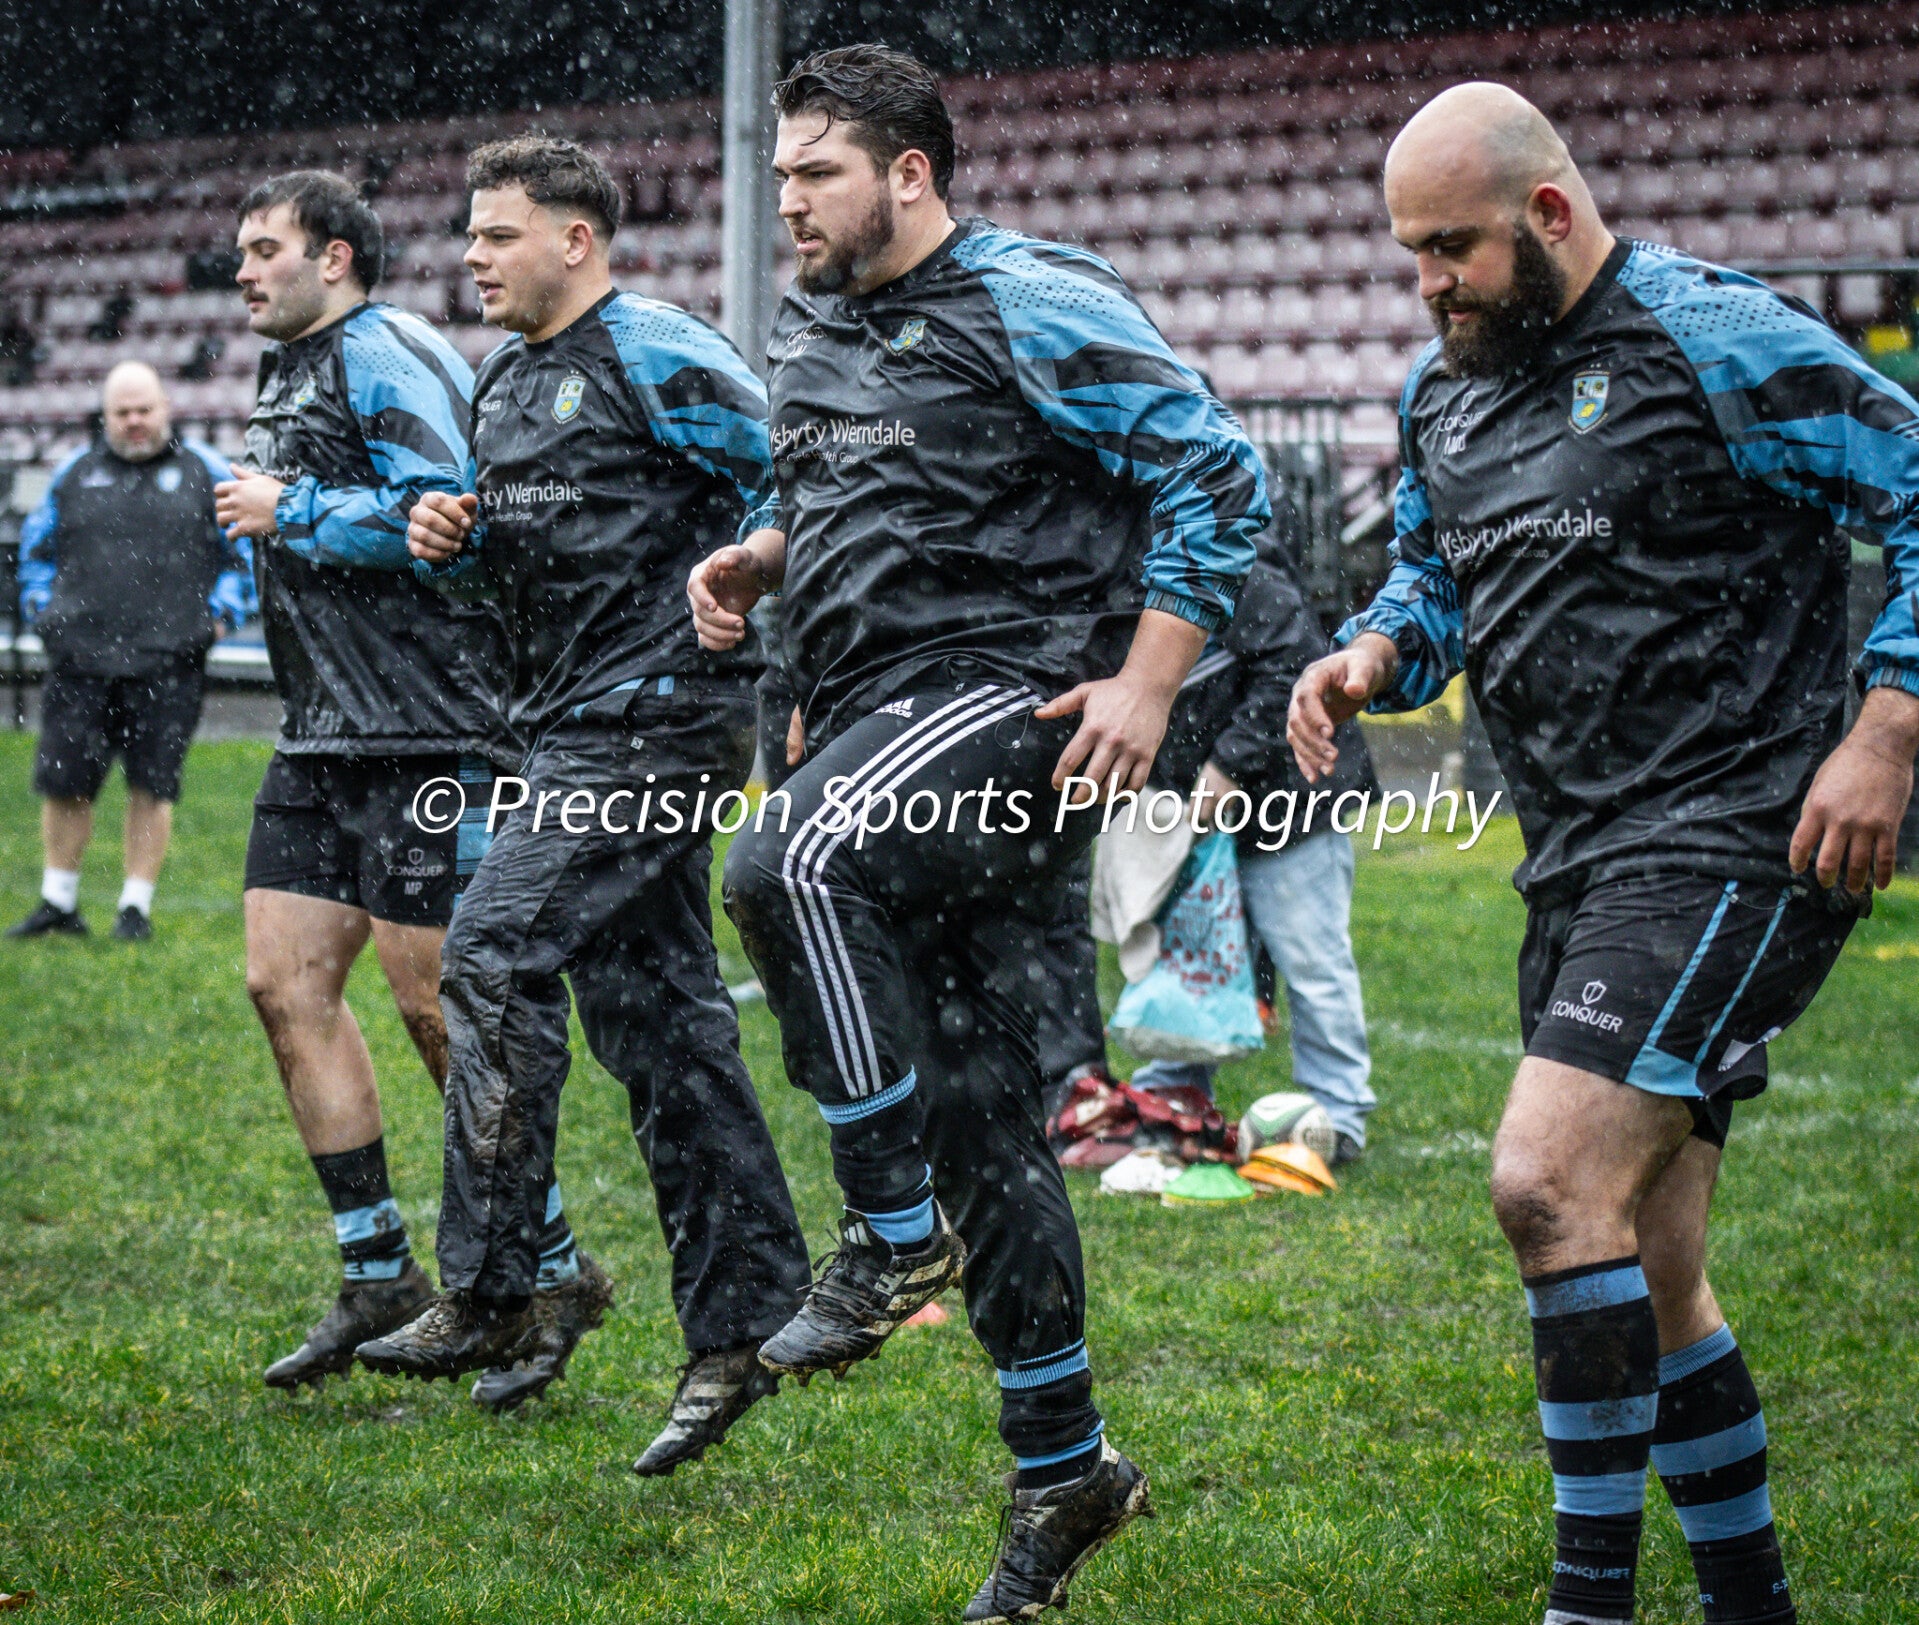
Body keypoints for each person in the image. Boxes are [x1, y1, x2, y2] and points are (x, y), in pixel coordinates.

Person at [1289, 83, 1919, 1625]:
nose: (1426, 284)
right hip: (1572, 861)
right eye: (1407, 253)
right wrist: (1372, 653)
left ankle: (1584, 1611)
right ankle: (1750, 1608)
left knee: (1542, 1181)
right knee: (1650, 1266)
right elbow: (1432, 577)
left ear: (1549, 215)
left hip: (1729, 831)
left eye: (1451, 248)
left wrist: (1886, 730)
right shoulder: (1439, 394)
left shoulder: (1714, 340)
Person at [690, 46, 1267, 1620]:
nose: (787, 199)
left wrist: (1147, 681)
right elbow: (842, 503)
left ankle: (887, 1237)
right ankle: (1064, 1468)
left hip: (1008, 700)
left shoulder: (1029, 296)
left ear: (910, 173)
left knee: (782, 864)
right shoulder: (806, 325)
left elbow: (1215, 469)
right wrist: (758, 564)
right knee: (980, 1123)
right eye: (780, 172)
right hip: (871, 720)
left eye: (815, 170)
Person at [358, 135, 812, 1475]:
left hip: (660, 723)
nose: (470, 256)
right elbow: (518, 575)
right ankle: (742, 1327)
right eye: (467, 234)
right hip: (564, 730)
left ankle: (497, 1285)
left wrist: (760, 616)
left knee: (490, 952)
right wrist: (453, 545)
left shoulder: (658, 350)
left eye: (495, 234)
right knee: (662, 1030)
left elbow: (801, 481)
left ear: (575, 240)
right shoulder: (501, 385)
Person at [219, 171, 577, 1407]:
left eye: (263, 249)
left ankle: (550, 1273)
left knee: (439, 1009)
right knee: (282, 983)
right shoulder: (288, 367)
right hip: (323, 733)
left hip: (432, 728)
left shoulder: (386, 350)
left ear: (334, 257)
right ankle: (376, 1270)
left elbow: (450, 513)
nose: (242, 271)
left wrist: (292, 509)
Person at [1056, 547, 1380, 1166]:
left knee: (1312, 961)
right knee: (1188, 949)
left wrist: (1230, 765)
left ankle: (1338, 1116)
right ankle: (1173, 1090)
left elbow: (1296, 670)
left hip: (1295, 800)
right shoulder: (1110, 589)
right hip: (1193, 809)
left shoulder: (1230, 572)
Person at [7, 361, 252, 942]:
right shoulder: (73, 472)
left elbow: (243, 553)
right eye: (123, 412)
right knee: (65, 782)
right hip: (80, 659)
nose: (135, 421)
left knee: (152, 785)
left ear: (166, 408)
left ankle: (133, 909)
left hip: (168, 661)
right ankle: (58, 902)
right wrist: (45, 611)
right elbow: (35, 550)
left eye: (144, 409)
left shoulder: (205, 471)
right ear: (106, 416)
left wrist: (220, 617)